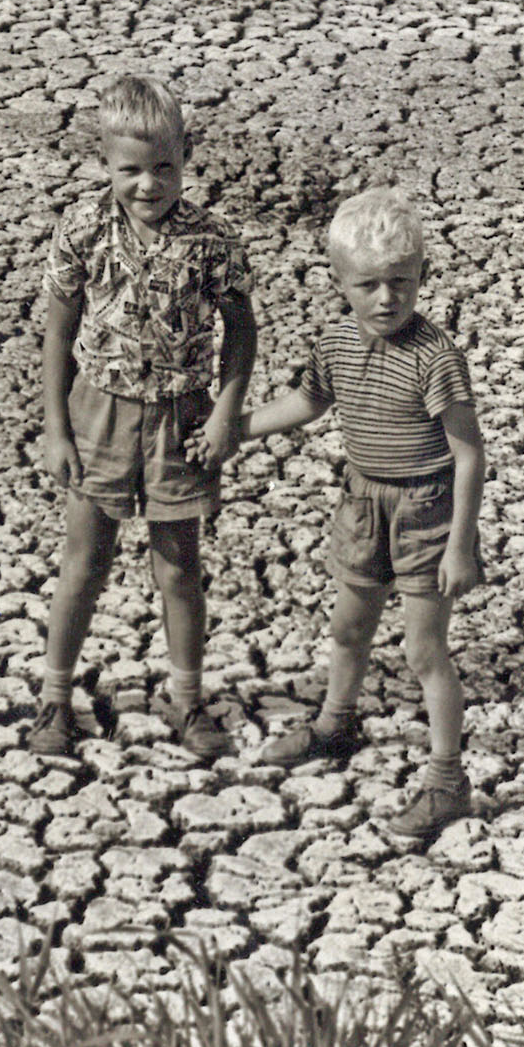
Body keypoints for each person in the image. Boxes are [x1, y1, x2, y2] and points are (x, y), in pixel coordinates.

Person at [193, 186, 485, 838]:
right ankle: (336, 723)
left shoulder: (436, 359)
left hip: (425, 510)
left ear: (422, 278)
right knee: (349, 629)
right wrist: (234, 429)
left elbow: (469, 455)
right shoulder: (336, 343)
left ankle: (446, 782)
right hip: (363, 500)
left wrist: (460, 545)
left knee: (423, 649)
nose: (387, 299)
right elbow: (306, 402)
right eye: (370, 284)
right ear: (340, 283)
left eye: (401, 283)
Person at [29, 73, 256, 763]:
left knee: (179, 567)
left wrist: (225, 414)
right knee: (84, 562)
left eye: (165, 167)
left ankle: (187, 700)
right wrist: (55, 427)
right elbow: (58, 334)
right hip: (97, 413)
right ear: (105, 162)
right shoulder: (83, 229)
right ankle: (55, 697)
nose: (149, 184)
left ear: (186, 156)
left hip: (181, 420)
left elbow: (243, 331)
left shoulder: (213, 239)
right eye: (131, 169)